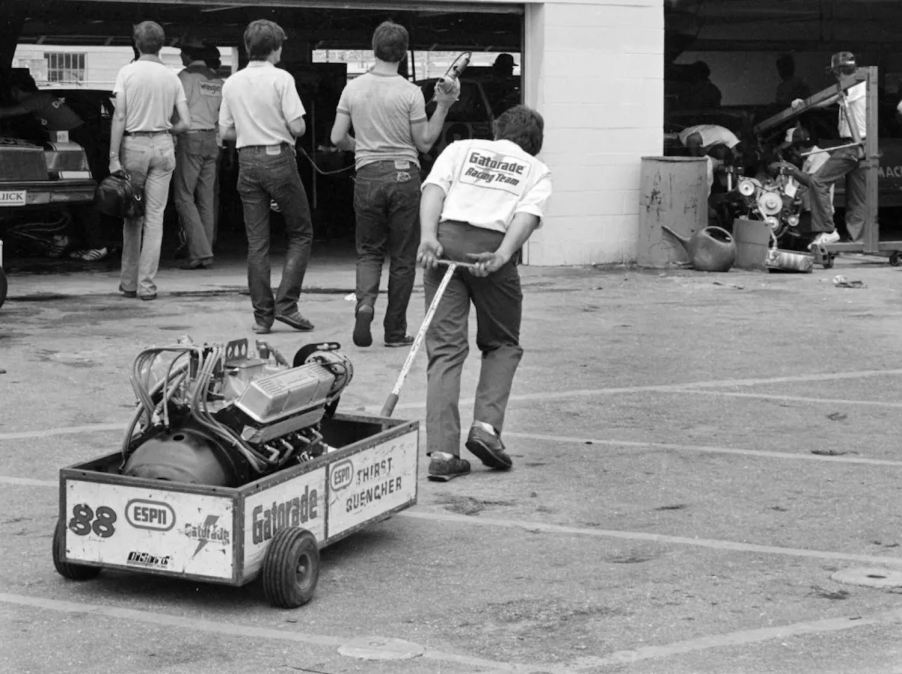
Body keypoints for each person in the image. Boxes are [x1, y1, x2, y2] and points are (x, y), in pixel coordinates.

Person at [416, 105, 552, 480]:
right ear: (534, 145)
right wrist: (503, 255)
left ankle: (443, 453)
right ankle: (486, 429)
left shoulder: (460, 149)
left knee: (444, 350)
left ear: (497, 130)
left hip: (445, 246)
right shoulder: (536, 170)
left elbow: (434, 189)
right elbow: (527, 215)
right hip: (491, 248)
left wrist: (428, 238)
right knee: (502, 343)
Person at [330, 20, 460, 349]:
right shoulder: (410, 92)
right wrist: (443, 106)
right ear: (402, 53)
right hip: (404, 176)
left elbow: (335, 137)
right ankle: (394, 331)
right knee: (402, 258)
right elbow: (426, 142)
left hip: (368, 175)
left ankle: (364, 304)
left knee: (369, 252)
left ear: (374, 49)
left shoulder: (353, 89)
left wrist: (361, 147)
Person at [219, 19, 315, 335]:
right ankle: (287, 304)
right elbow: (299, 127)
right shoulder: (281, 78)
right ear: (274, 48)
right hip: (278, 159)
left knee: (257, 242)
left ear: (248, 47)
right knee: (300, 231)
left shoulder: (231, 82)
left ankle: (263, 316)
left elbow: (226, 131)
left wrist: (251, 127)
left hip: (247, 162)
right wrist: (278, 127)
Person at [109, 21, 190, 300]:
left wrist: (112, 156)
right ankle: (147, 286)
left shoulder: (127, 73)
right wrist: (166, 129)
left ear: (136, 43)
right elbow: (186, 122)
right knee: (155, 218)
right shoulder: (172, 77)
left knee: (133, 217)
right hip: (164, 147)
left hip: (135, 146)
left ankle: (129, 284)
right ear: (162, 44)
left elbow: (119, 116)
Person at [0, 70, 112, 261]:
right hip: (77, 141)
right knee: (78, 195)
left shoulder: (35, 100)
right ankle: (82, 242)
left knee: (83, 193)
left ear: (16, 90)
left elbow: (7, 113)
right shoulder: (44, 97)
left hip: (78, 143)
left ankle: (96, 245)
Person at [792, 51, 866, 246]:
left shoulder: (855, 85)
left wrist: (804, 104)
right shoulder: (856, 87)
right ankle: (858, 242)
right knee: (858, 197)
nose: (836, 77)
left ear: (839, 72)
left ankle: (828, 230)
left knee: (818, 181)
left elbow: (828, 98)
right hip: (860, 144)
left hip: (855, 144)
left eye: (836, 73)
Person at [173, 37, 222, 270]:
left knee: (184, 196)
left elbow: (177, 110)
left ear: (188, 55)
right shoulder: (216, 80)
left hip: (190, 138)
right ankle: (207, 250)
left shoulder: (184, 78)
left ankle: (199, 252)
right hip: (212, 139)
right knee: (206, 198)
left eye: (183, 53)